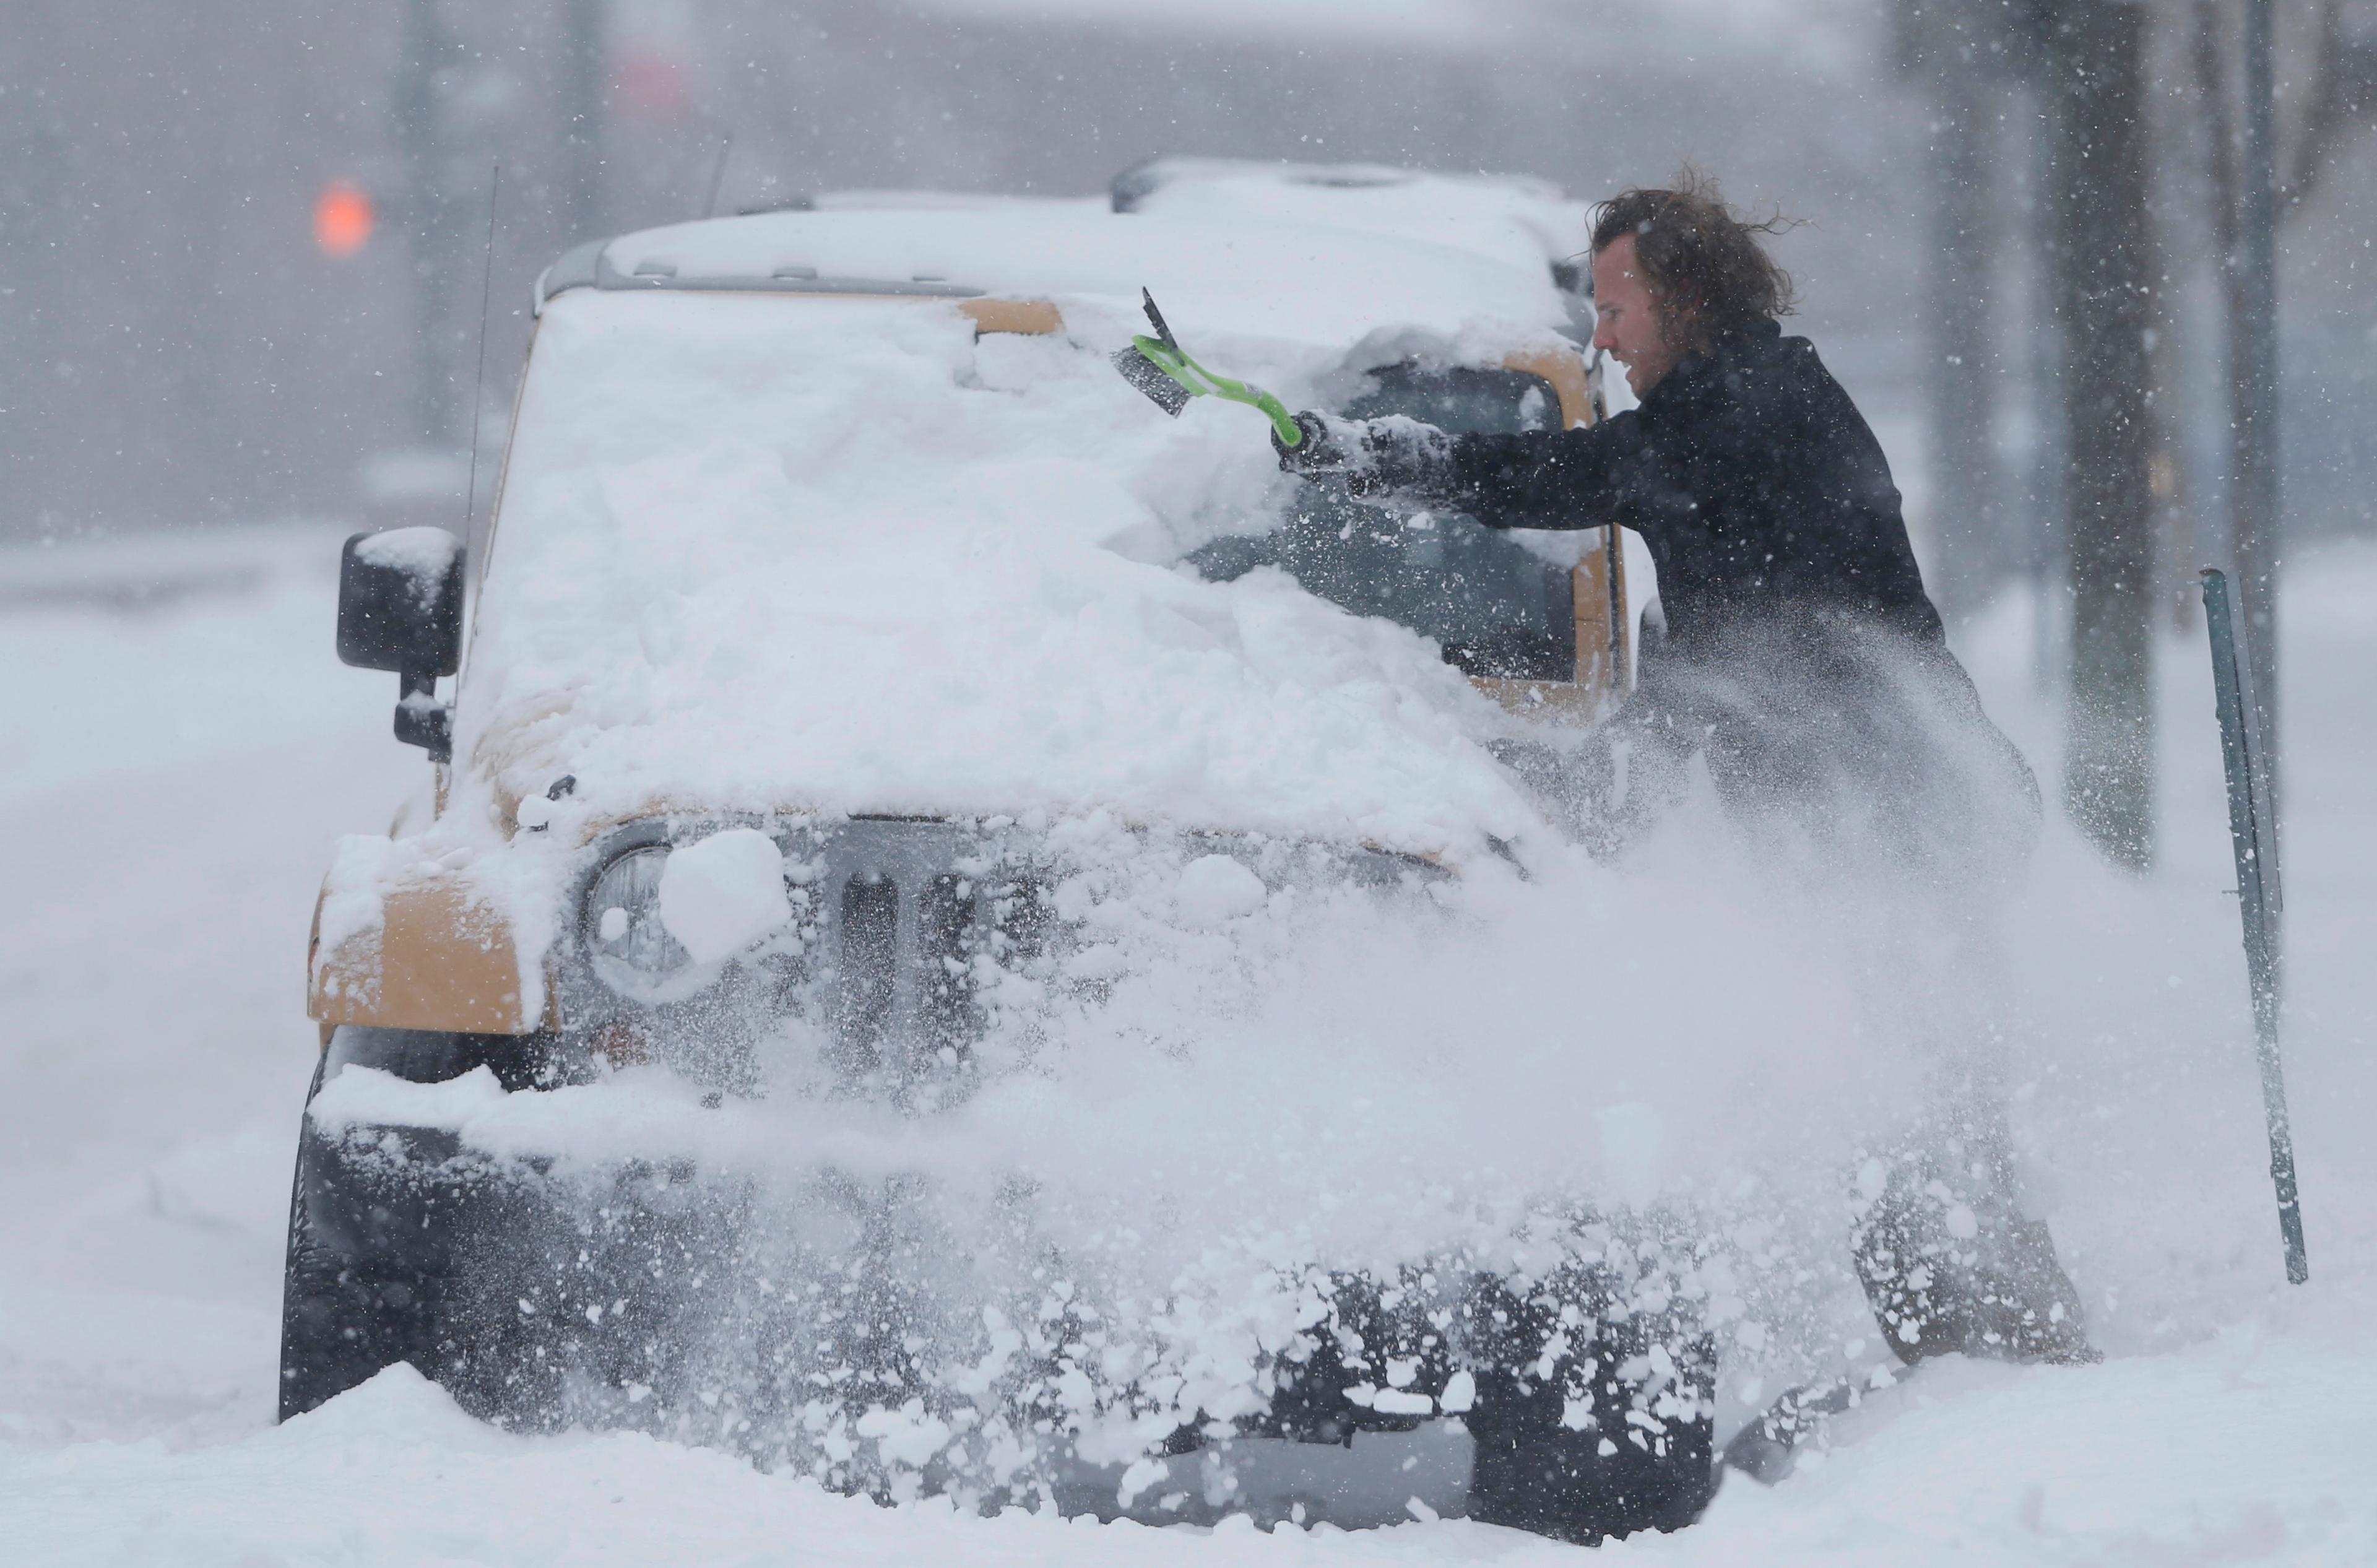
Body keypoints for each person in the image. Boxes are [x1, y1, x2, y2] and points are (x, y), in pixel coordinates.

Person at [1265, 173, 2095, 1511]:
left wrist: (1390, 457)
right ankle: (1989, 1368)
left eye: (1616, 304)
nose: (1604, 336)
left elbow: (1571, 478)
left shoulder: (1738, 409)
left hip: (1884, 814)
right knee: (1900, 1092)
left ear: (1686, 293)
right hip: (1869, 801)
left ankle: (2017, 1393)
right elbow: (1723, 635)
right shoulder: (1746, 402)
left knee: (1917, 1098)